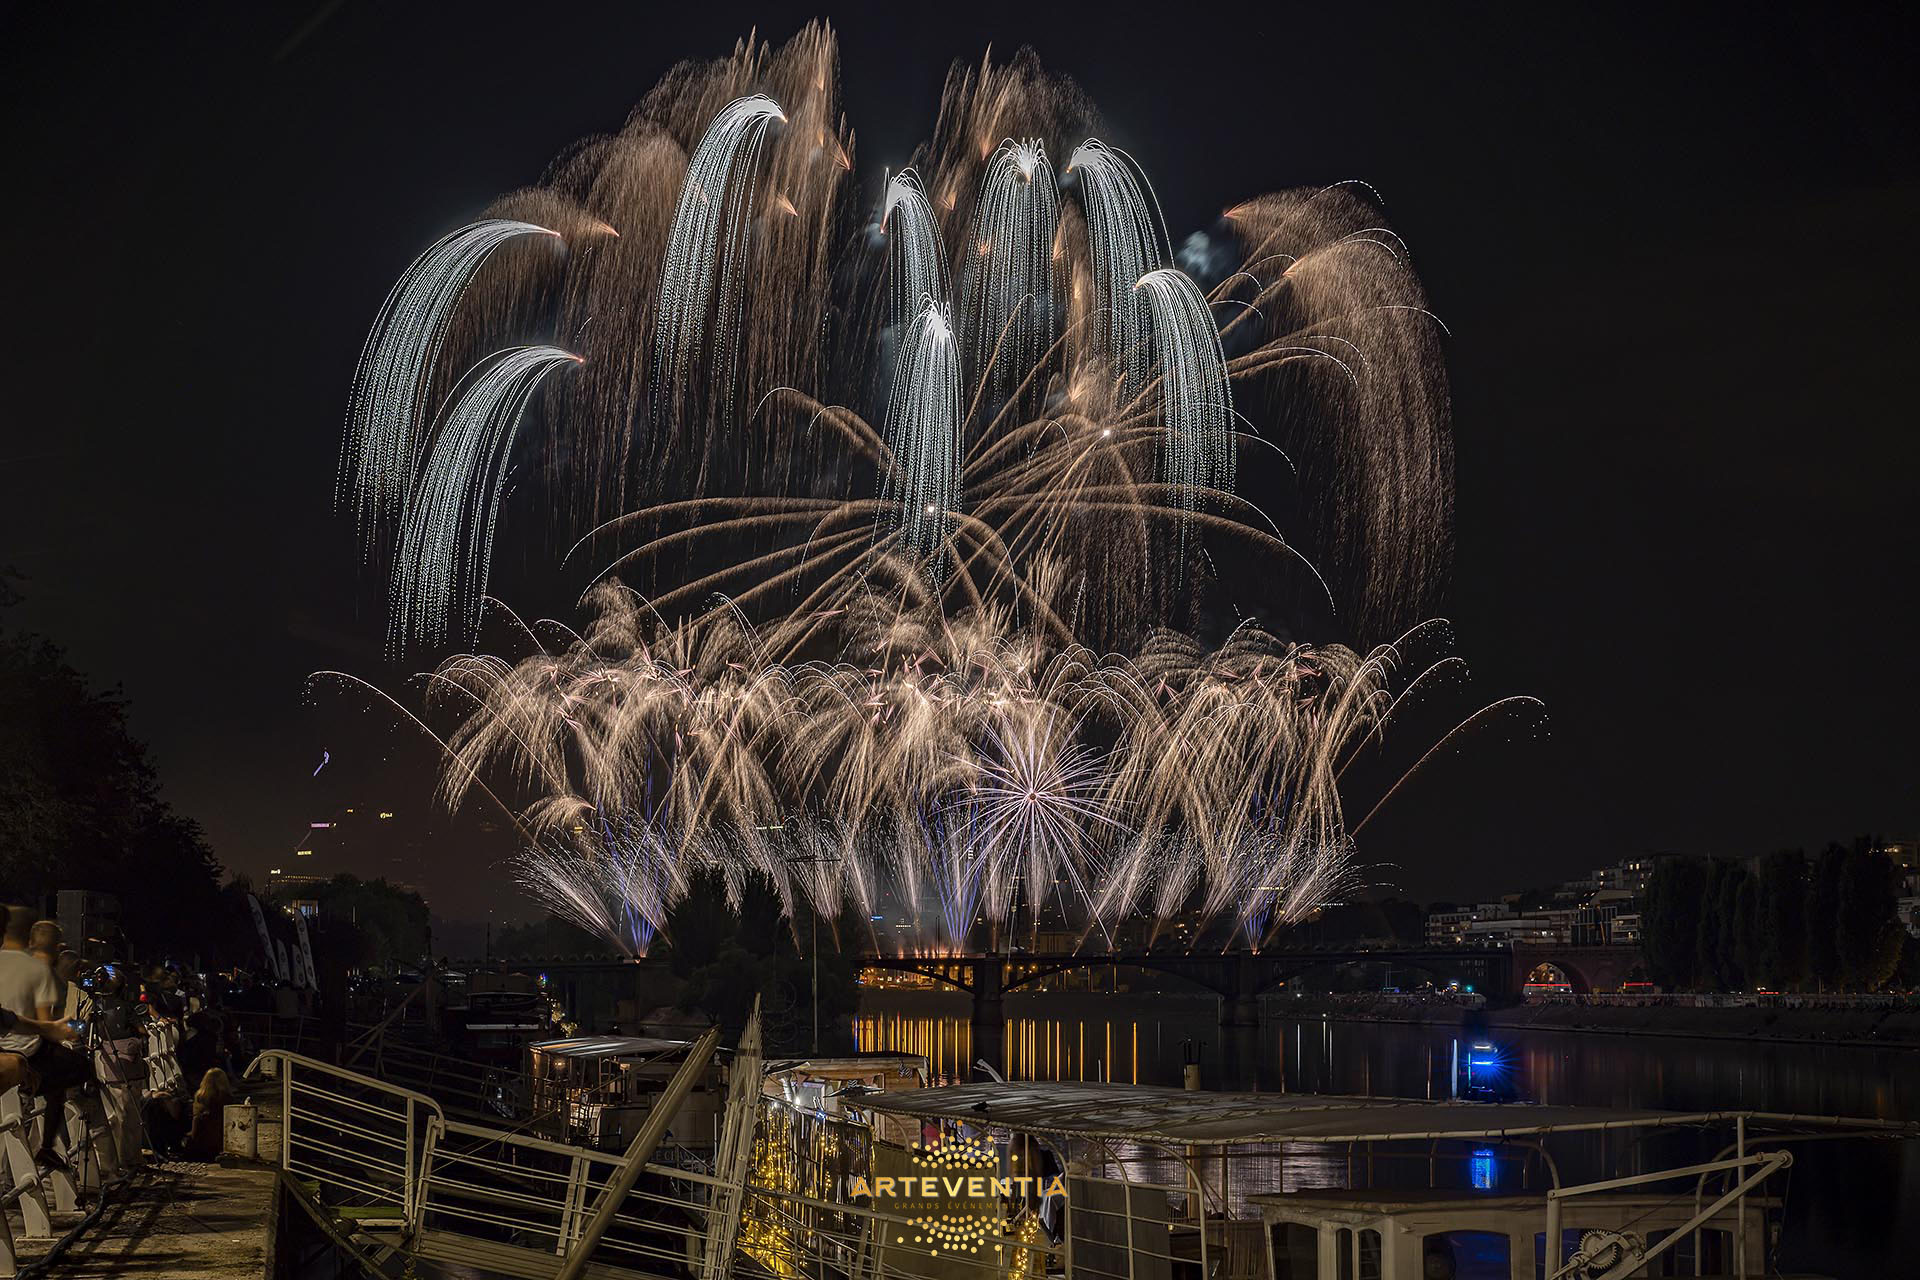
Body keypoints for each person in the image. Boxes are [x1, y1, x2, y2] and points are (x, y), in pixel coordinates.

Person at [0, 906, 91, 1167]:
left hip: (5, 1046)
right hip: (26, 1049)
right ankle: (45, 1139)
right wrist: (66, 1031)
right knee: (79, 1067)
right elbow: (44, 1023)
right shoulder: (38, 971)